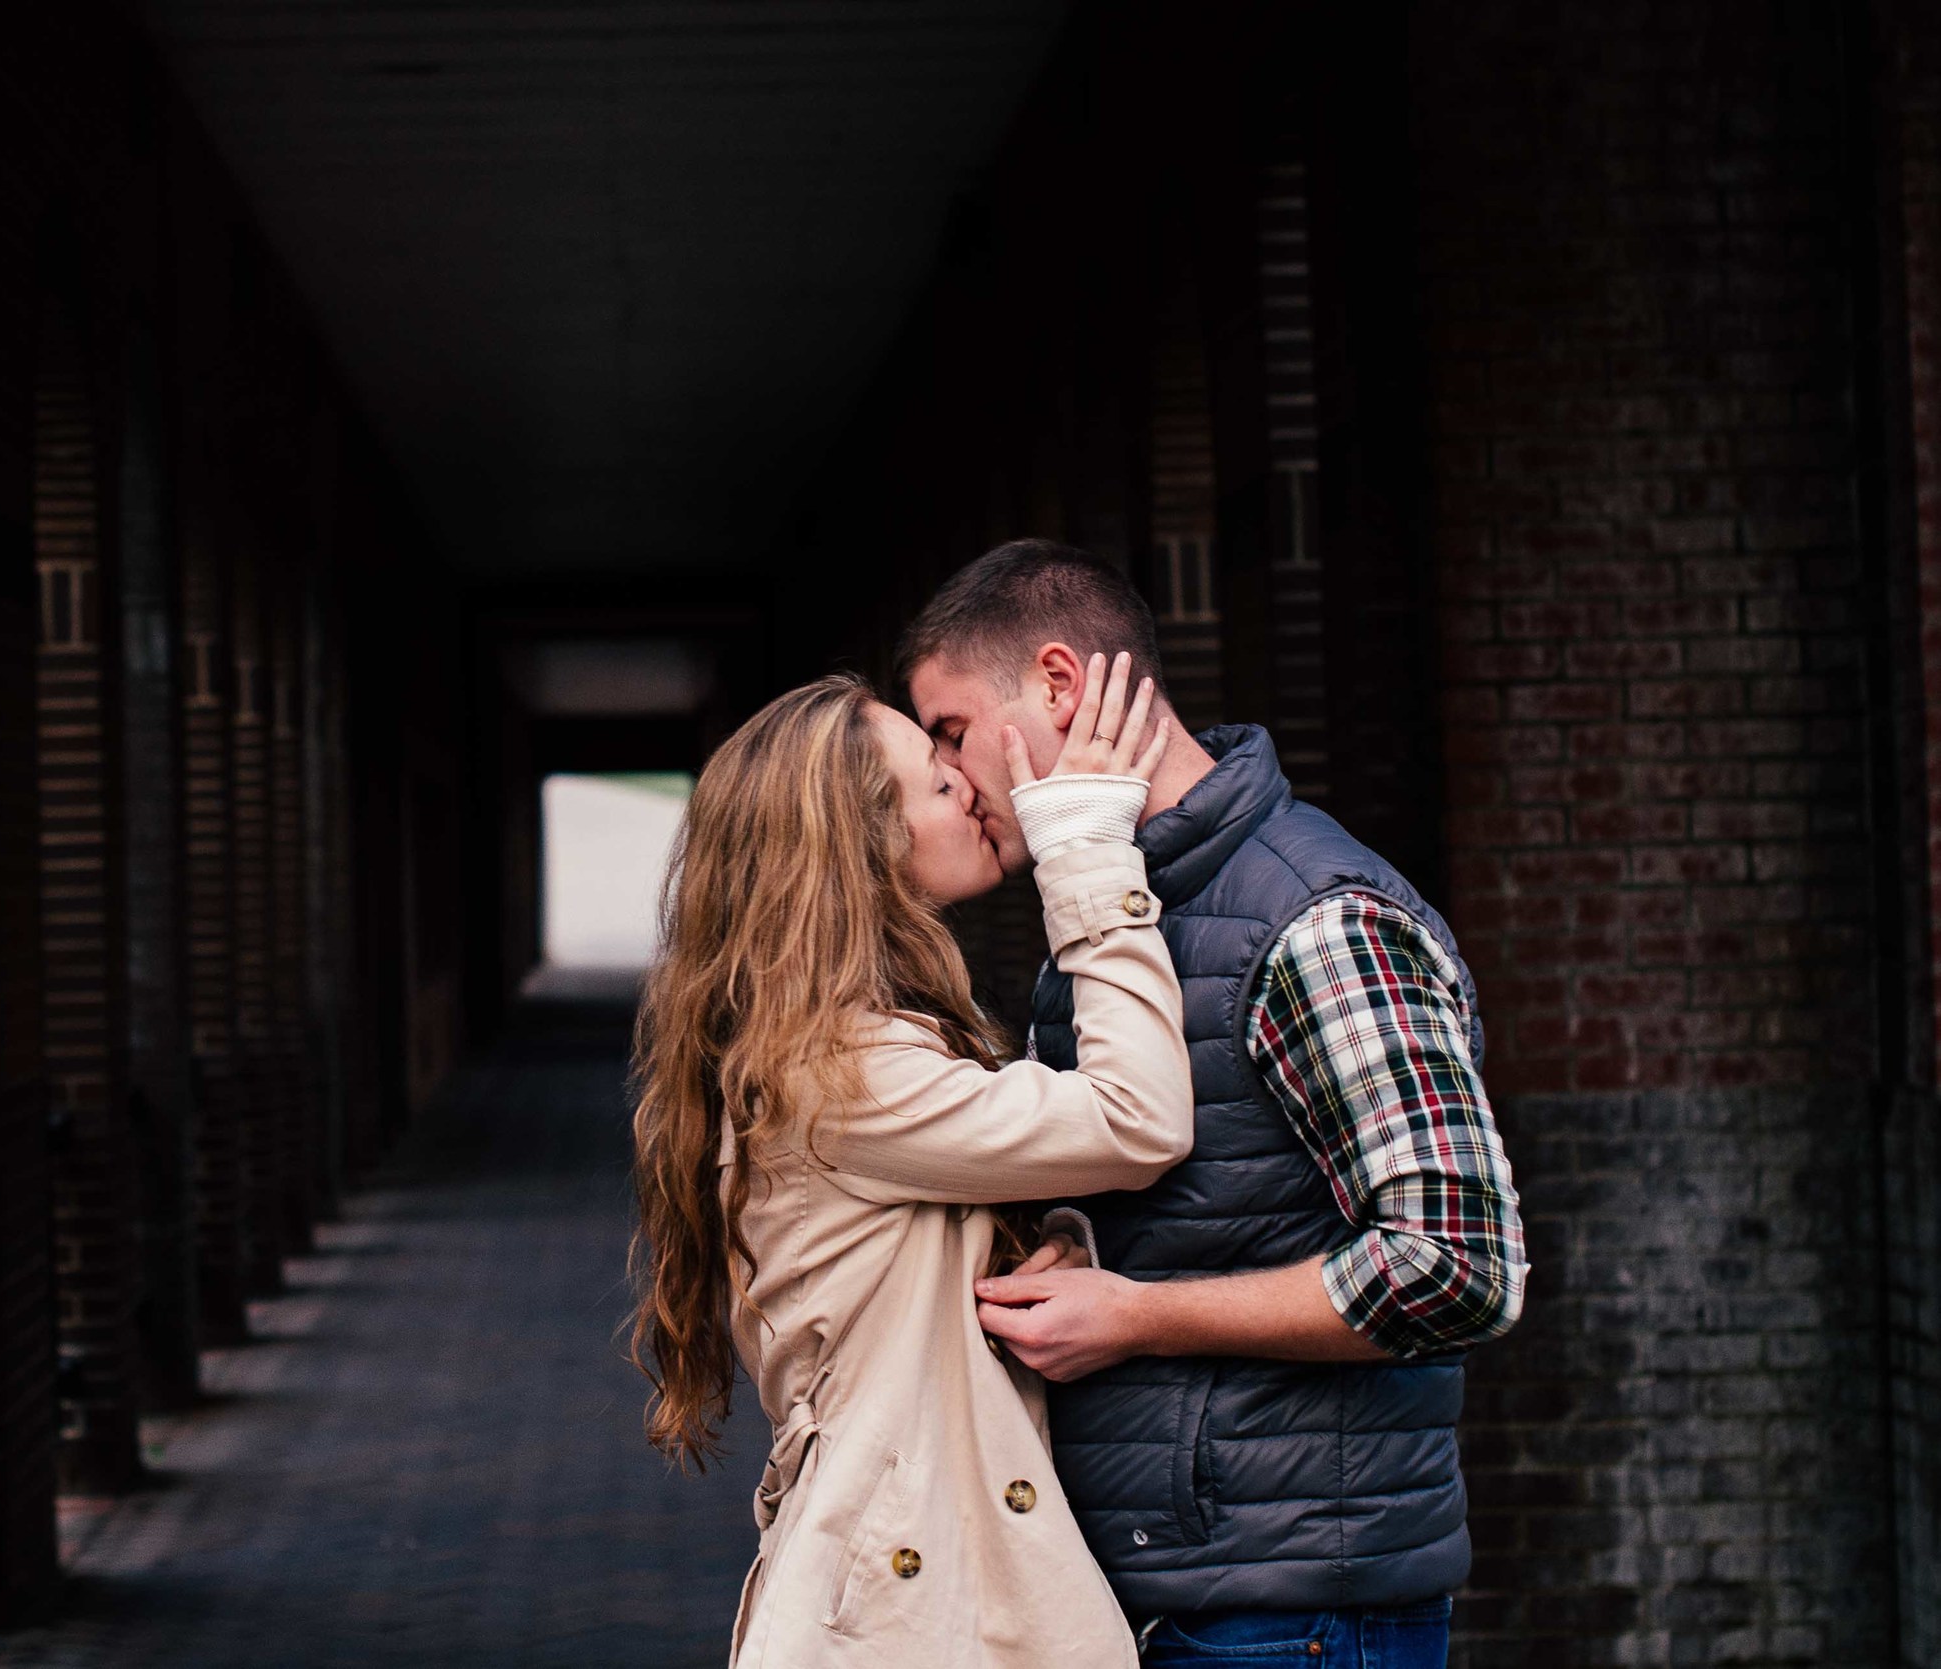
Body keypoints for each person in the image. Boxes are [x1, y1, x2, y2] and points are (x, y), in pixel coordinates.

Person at [899, 539, 1527, 1667]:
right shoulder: (1121, 907)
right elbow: (1201, 1201)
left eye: (949, 733)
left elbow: (1459, 1269)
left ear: (1055, 685)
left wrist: (1138, 1314)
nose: (950, 779)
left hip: (1294, 1614)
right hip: (1187, 1587)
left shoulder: (1315, 918)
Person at [628, 661, 1196, 1667]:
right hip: (904, 1610)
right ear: (866, 847)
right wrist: (1086, 847)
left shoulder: (834, 1045)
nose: (966, 782)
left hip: (904, 1592)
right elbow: (1136, 1118)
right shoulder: (842, 1070)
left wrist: (1044, 1240)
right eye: (935, 776)